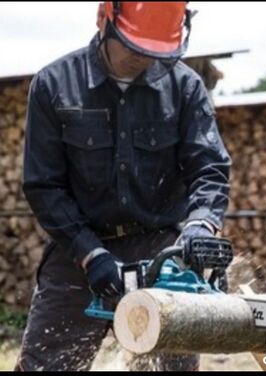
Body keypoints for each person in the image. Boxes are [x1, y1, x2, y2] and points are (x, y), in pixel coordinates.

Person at [15, 1, 231, 371]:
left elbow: (208, 167)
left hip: (160, 244)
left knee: (174, 367)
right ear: (105, 22)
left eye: (154, 50)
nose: (144, 58)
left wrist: (201, 225)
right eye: (135, 47)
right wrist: (90, 254)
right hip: (79, 247)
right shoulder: (55, 85)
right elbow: (44, 185)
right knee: (45, 366)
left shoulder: (184, 86)